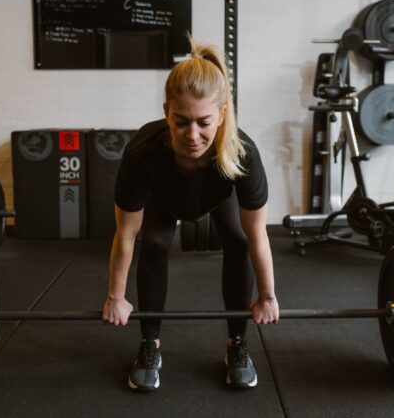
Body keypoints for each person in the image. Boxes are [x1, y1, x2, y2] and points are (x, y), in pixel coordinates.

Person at [102, 37, 279, 392]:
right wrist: (115, 296)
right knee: (153, 243)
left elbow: (259, 233)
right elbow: (126, 234)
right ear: (166, 109)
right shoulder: (142, 152)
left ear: (223, 115)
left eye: (204, 122)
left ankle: (236, 345)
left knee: (239, 240)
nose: (192, 135)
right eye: (181, 121)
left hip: (218, 193)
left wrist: (268, 295)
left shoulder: (242, 154)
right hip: (164, 198)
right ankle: (150, 345)